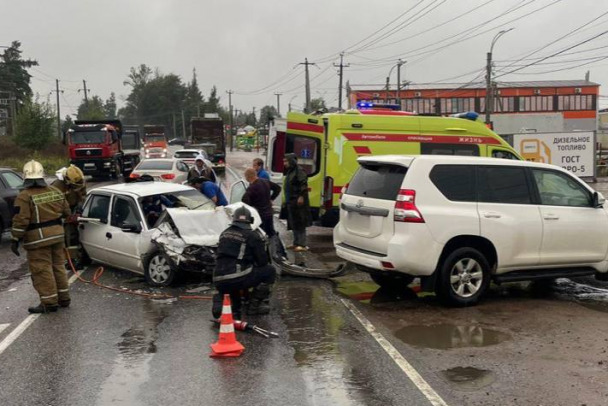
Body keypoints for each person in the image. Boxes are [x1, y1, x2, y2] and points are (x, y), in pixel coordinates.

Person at [11, 160, 71, 314]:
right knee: (58, 266)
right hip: (58, 237)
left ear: (25, 177)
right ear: (42, 176)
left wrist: (15, 238)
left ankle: (49, 302)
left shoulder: (24, 196)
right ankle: (64, 298)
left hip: (38, 240)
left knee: (42, 270)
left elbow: (20, 220)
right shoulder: (55, 191)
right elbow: (67, 212)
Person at [212, 206, 276, 319]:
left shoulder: (224, 233)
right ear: (250, 221)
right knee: (269, 271)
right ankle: (254, 306)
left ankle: (221, 301)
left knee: (235, 307)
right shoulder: (252, 235)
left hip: (218, 278)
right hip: (237, 277)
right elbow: (262, 261)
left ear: (234, 219)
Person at [52, 165, 86, 268]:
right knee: (69, 236)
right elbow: (54, 205)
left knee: (77, 235)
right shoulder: (57, 187)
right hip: (62, 213)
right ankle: (71, 260)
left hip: (74, 209)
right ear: (67, 180)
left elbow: (82, 195)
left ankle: (80, 257)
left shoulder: (79, 180)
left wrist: (79, 208)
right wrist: (66, 216)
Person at [281, 153, 311, 252]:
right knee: (294, 222)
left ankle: (302, 244)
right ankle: (296, 243)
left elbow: (303, 184)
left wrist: (301, 196)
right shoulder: (290, 171)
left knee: (300, 223)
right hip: (291, 201)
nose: (284, 163)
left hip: (298, 202)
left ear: (291, 161)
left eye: (286, 161)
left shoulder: (299, 171)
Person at [242, 168, 281, 237]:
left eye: (245, 177)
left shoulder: (252, 187)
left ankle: (263, 247)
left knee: (260, 234)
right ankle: (275, 246)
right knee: (271, 232)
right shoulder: (265, 181)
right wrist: (271, 199)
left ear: (248, 177)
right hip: (269, 212)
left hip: (260, 214)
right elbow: (278, 188)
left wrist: (251, 209)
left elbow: (244, 200)